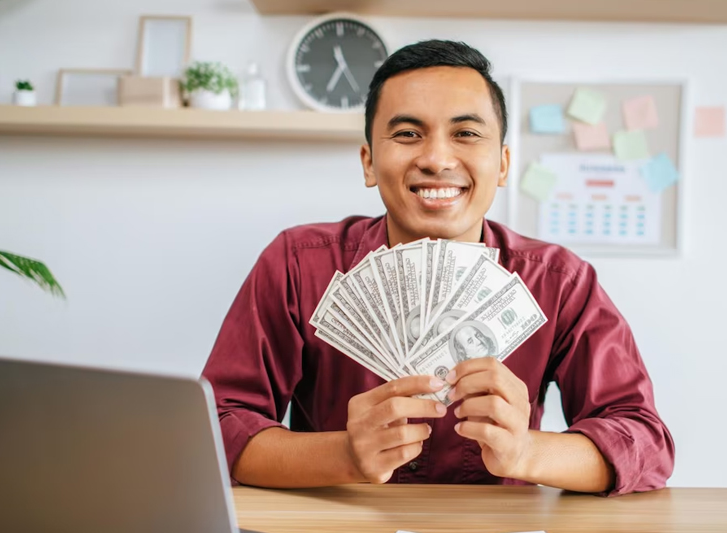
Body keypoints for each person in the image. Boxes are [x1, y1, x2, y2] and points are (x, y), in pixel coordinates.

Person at [203, 40, 674, 496]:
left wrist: (527, 452)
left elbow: (644, 442)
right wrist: (344, 454)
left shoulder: (560, 283)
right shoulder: (297, 264)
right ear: (368, 161)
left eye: (466, 133)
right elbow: (217, 427)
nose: (436, 159)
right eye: (408, 134)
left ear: (504, 164)